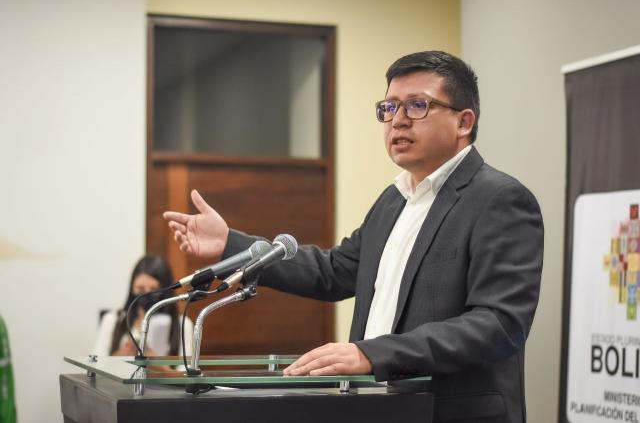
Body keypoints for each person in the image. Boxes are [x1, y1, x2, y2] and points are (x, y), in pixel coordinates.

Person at [163, 51, 544, 423]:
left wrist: (373, 355)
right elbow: (333, 271)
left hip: (450, 412)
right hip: (380, 408)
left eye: (417, 106)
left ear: (463, 122)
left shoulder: (499, 199)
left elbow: (498, 324)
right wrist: (231, 244)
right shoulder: (394, 200)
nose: (398, 121)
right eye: (389, 108)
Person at [93, 254, 193, 358]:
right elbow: (97, 363)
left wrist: (155, 361)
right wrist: (122, 355)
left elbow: (185, 367)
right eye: (140, 288)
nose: (146, 294)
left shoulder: (183, 325)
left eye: (154, 289)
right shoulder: (112, 320)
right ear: (132, 288)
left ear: (165, 290)